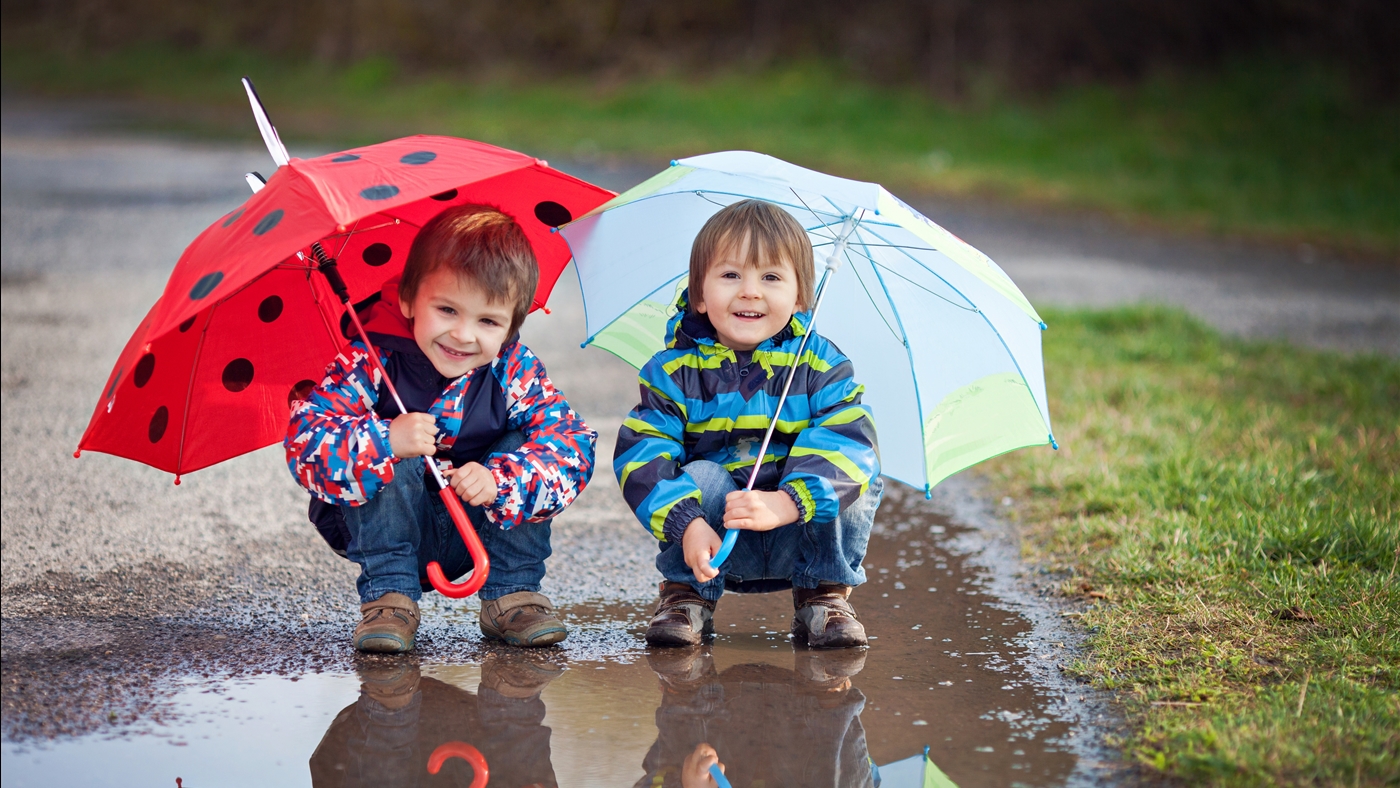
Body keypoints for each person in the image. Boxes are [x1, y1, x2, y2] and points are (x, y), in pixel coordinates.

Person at [286, 204, 596, 653]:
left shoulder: (513, 370)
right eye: (447, 309)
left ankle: (513, 593)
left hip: (478, 518)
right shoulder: (369, 360)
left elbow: (571, 445)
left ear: (512, 326)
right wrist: (385, 440)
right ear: (409, 299)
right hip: (390, 534)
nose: (463, 335)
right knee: (389, 442)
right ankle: (389, 600)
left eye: (487, 321)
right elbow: (306, 442)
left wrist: (500, 480)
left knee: (524, 441)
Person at [614, 199, 882, 649]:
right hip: (712, 542)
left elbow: (849, 438)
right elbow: (643, 452)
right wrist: (687, 523)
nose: (750, 291)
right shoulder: (673, 371)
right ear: (700, 292)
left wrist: (788, 502)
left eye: (771, 278)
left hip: (796, 531)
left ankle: (824, 595)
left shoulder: (820, 365)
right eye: (731, 275)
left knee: (856, 472)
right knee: (701, 474)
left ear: (800, 298)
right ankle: (687, 595)